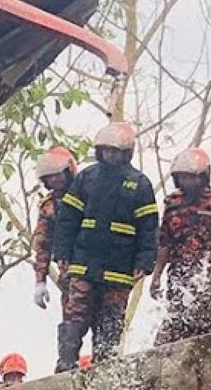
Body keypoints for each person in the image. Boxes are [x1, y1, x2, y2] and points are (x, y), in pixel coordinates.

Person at [49, 120, 158, 371]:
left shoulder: (139, 184)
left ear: (126, 152)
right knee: (75, 315)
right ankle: (66, 363)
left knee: (110, 320)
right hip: (84, 263)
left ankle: (104, 366)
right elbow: (67, 220)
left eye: (115, 150)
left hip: (119, 268)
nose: (110, 155)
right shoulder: (86, 178)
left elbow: (149, 227)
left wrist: (145, 262)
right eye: (105, 150)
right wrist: (62, 253)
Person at [150, 147, 211, 344]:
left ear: (203, 177)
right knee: (177, 322)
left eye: (191, 177)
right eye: (183, 177)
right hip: (179, 273)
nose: (187, 182)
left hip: (210, 272)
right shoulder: (173, 203)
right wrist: (157, 276)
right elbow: (165, 242)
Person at [31, 147, 78, 312]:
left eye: (57, 174)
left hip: (99, 269)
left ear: (69, 171)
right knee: (71, 328)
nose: (54, 180)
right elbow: (43, 244)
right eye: (49, 177)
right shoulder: (50, 206)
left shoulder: (91, 194)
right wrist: (40, 281)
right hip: (70, 274)